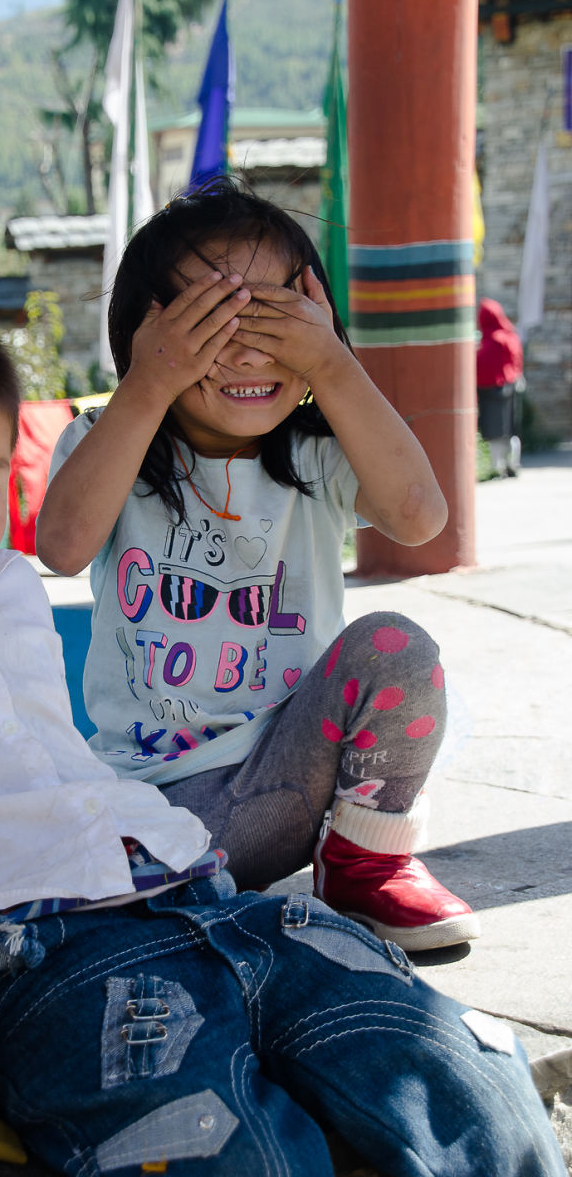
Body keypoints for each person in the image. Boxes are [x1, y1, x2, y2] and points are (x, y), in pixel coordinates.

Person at [0, 295, 564, 1177]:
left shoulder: (7, 589)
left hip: (200, 897)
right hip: (30, 957)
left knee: (441, 1054)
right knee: (204, 1141)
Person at [38, 178, 480, 954]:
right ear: (148, 333)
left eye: (278, 320)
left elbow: (420, 519)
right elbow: (61, 545)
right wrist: (147, 386)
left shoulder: (314, 456)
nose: (249, 350)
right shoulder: (113, 443)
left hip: (293, 785)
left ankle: (364, 869)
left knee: (396, 647)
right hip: (153, 810)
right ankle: (184, 894)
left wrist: (334, 366)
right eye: (213, 322)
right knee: (63, 883)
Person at [477, 297, 525, 478]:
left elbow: (481, 366)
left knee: (495, 430)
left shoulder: (491, 341)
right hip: (511, 387)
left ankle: (498, 468)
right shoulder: (511, 336)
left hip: (491, 391)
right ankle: (513, 463)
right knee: (510, 428)